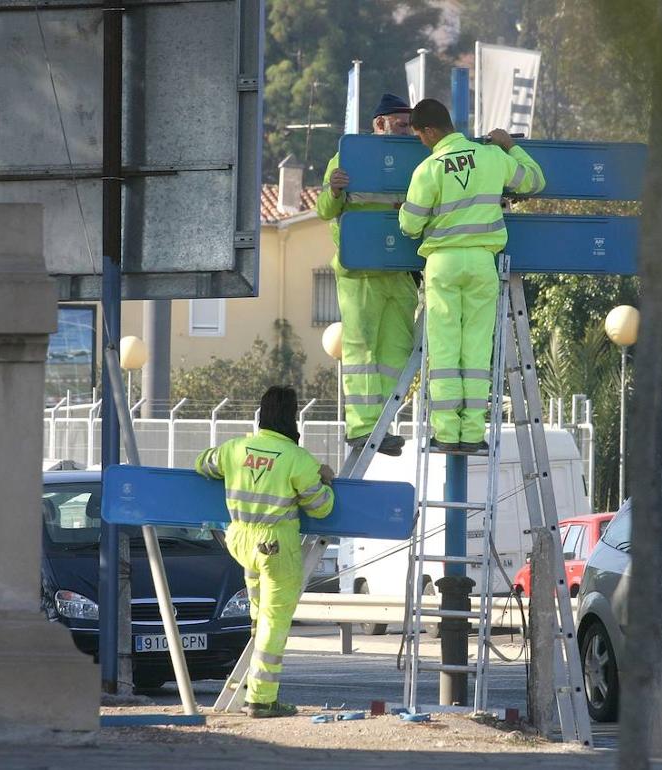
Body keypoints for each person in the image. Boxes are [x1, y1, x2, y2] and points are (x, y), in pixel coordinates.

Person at [398, 98, 545, 453]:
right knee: (478, 348)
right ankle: (473, 433)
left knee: (446, 349)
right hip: (483, 262)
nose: (420, 141)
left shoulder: (429, 168)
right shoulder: (493, 157)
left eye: (419, 134)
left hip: (443, 265)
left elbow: (409, 225)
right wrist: (510, 145)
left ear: (431, 131)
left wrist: (407, 211)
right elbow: (535, 181)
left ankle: (448, 434)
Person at [195, 386, 335, 718]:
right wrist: (326, 480)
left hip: (241, 541)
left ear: (261, 415)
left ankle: (254, 688)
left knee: (260, 615)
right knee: (275, 620)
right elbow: (321, 509)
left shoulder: (235, 448)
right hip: (276, 547)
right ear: (293, 418)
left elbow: (203, 463)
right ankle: (261, 699)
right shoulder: (298, 460)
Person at [316, 93, 420, 457]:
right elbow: (324, 209)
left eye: (411, 125)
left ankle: (382, 425)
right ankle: (363, 428)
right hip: (359, 273)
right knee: (362, 350)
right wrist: (333, 189)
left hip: (399, 272)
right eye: (402, 124)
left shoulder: (415, 160)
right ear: (380, 124)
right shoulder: (347, 158)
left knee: (398, 353)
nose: (409, 131)